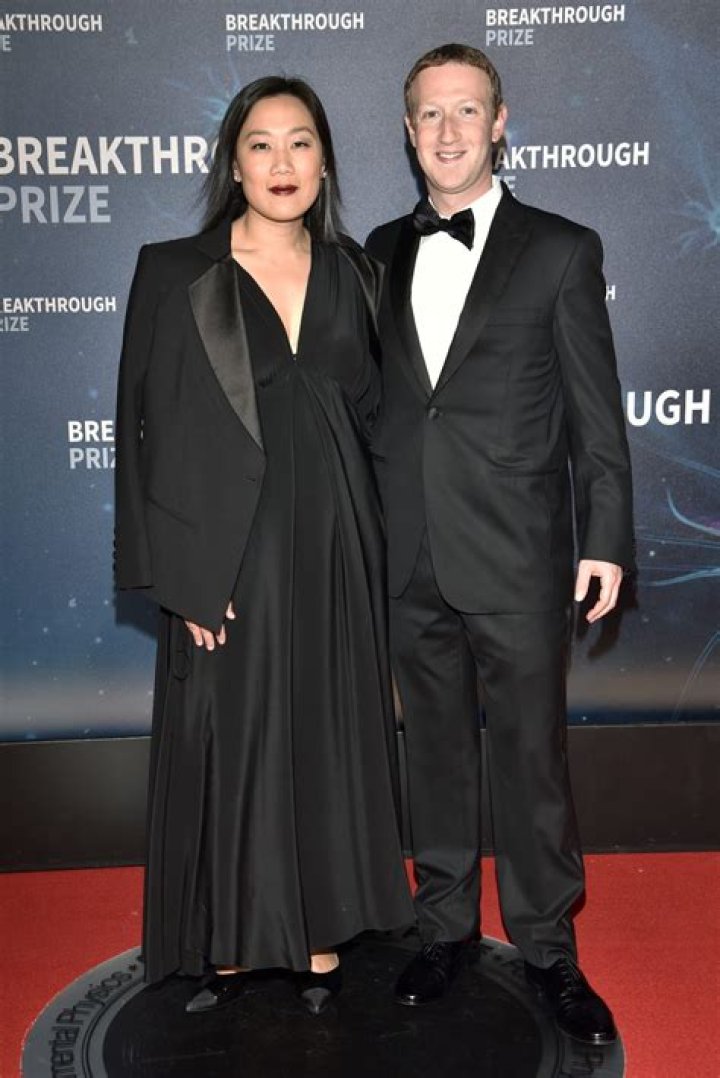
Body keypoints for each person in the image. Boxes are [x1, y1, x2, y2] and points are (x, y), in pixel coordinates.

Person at [115, 75, 413, 1017]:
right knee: (239, 738)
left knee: (325, 730)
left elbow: (383, 422)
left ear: (325, 161)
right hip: (229, 551)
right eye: (260, 143)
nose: (281, 163)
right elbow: (142, 433)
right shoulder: (174, 271)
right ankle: (237, 938)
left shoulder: (360, 274)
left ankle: (321, 927)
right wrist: (181, 576)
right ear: (233, 163)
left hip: (339, 542)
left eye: (300, 142)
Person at [366, 44, 634, 1043]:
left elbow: (595, 410)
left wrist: (605, 533)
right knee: (433, 752)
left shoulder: (562, 248)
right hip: (409, 551)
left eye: (466, 111)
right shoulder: (377, 251)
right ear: (408, 131)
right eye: (430, 115)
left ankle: (550, 951)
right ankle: (443, 927)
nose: (448, 132)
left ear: (500, 121)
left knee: (530, 760)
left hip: (519, 551)